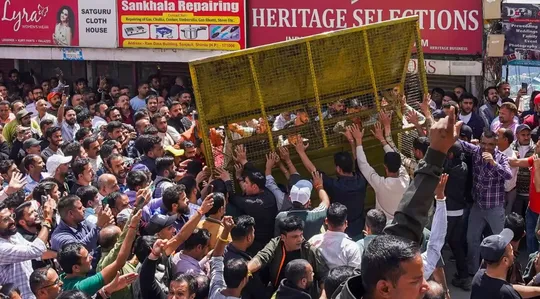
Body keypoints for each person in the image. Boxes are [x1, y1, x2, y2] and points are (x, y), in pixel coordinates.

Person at [293, 134, 367, 239]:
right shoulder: (361, 180)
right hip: (359, 228)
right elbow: (359, 161)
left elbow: (313, 171)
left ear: (338, 169)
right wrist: (352, 142)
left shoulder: (335, 186)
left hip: (340, 231)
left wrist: (301, 152)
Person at [460, 130, 513, 275]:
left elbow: (508, 175)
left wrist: (493, 163)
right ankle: (473, 272)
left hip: (495, 208)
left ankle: (506, 272)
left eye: (490, 144)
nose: (486, 147)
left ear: (496, 144)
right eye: (483, 143)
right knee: (472, 239)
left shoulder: (501, 158)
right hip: (478, 206)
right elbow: (459, 143)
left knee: (502, 243)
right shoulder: (476, 151)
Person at [57, 211, 141, 296]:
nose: (91, 257)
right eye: (86, 257)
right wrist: (132, 227)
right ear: (75, 268)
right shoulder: (82, 286)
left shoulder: (62, 279)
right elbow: (119, 262)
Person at [248, 215, 328, 298]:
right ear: (283, 237)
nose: (300, 239)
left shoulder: (309, 251)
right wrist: (246, 271)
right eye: (294, 237)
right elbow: (261, 258)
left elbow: (324, 276)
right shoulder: (276, 245)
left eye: (301, 235)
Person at [350, 123, 409, 220]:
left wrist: (358, 140)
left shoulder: (380, 184)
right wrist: (382, 139)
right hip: (401, 223)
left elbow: (363, 165)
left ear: (385, 167)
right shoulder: (405, 178)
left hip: (385, 225)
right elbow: (395, 159)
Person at [0, 197, 55, 299]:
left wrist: (60, 254)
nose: (12, 221)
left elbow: (39, 252)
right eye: (5, 219)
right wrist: (47, 220)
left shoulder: (14, 235)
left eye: (11, 216)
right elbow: (35, 250)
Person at [274, 170, 330, 241]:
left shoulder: (280, 217)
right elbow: (325, 202)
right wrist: (319, 186)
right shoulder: (315, 215)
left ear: (290, 198)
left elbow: (277, 240)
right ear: (308, 202)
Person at [308, 202, 362, 270]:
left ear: (326, 221)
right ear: (346, 223)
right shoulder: (352, 248)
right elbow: (355, 275)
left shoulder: (313, 241)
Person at [471, 229, 521, 299]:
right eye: (511, 251)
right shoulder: (508, 295)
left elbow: (511, 287)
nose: (513, 254)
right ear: (505, 260)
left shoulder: (478, 278)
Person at [512, 124, 536, 216]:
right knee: (516, 218)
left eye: (528, 134)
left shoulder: (535, 149)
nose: (526, 137)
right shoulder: (511, 147)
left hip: (530, 193)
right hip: (515, 192)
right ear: (517, 135)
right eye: (523, 135)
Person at [498, 129, 519, 215]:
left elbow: (507, 185)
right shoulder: (495, 150)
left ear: (505, 140)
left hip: (506, 194)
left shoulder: (512, 157)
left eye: (498, 135)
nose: (495, 137)